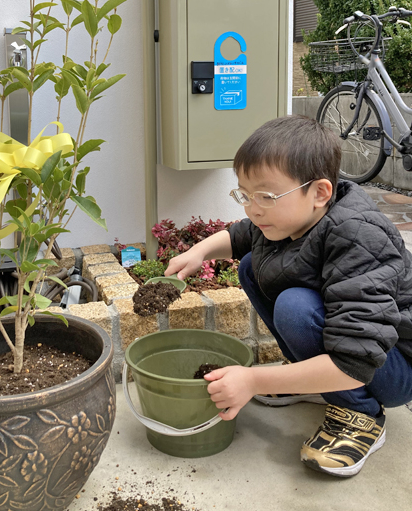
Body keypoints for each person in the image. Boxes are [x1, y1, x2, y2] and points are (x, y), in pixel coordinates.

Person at [164, 115, 412, 478]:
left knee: (296, 308)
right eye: (245, 195)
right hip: (360, 353)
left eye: (265, 195)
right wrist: (198, 252)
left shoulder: (358, 236)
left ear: (320, 192)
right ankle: (312, 382)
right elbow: (243, 235)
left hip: (394, 364)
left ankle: (361, 417)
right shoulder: (289, 218)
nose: (252, 208)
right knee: (251, 265)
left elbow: (355, 361)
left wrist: (253, 381)